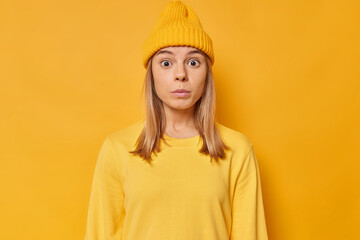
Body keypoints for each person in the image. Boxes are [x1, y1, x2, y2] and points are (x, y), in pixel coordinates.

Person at [84, 0, 268, 239]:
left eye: (193, 62)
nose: (181, 74)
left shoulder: (238, 151)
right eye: (166, 63)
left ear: (206, 74)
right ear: (152, 73)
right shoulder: (117, 149)